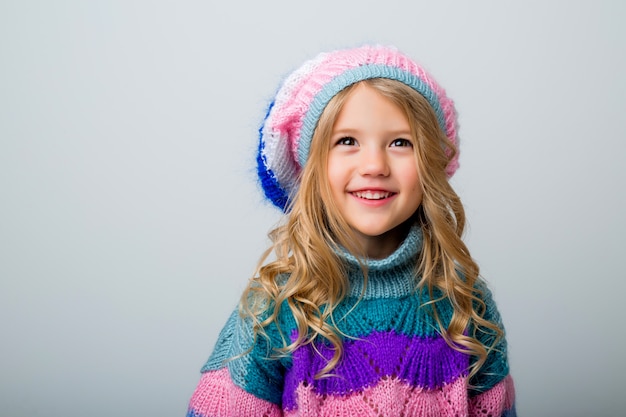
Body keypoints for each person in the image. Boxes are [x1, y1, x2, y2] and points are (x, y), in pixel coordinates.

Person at [186, 44, 516, 417]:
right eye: (347, 141)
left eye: (400, 143)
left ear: (431, 164)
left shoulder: (464, 304)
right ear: (310, 169)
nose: (374, 165)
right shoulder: (274, 311)